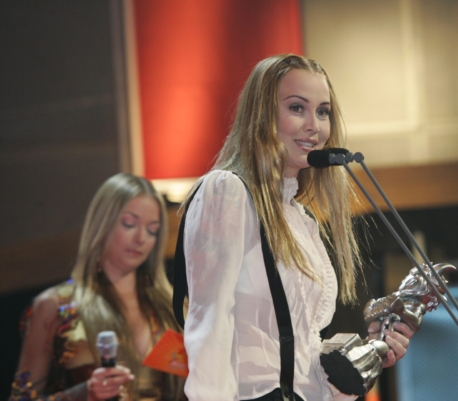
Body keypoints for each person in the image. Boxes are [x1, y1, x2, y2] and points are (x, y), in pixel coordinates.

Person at [182, 54, 414, 401]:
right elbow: (209, 325)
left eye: (323, 112)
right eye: (296, 108)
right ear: (261, 115)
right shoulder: (227, 191)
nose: (314, 126)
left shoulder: (301, 219)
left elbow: (301, 360)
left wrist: (367, 356)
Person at [9, 173, 185, 401]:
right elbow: (21, 397)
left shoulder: (174, 308)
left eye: (152, 230)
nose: (141, 238)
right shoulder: (55, 306)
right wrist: (84, 394)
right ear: (102, 223)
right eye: (129, 224)